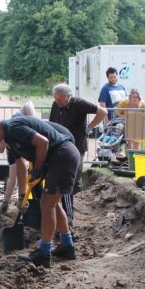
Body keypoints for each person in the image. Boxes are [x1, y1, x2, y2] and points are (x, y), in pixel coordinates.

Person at [0, 113, 79, 268]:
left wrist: (38, 169)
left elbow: (43, 142)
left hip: (62, 156)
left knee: (46, 205)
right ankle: (67, 245)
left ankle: (44, 252)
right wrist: (23, 194)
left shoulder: (13, 127)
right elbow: (21, 167)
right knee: (53, 204)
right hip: (56, 159)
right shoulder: (10, 140)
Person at [49, 83, 107, 227]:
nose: (58, 103)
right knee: (62, 179)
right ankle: (65, 207)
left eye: (60, 100)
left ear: (69, 97)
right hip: (60, 146)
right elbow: (51, 123)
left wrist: (90, 126)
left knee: (74, 180)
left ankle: (73, 209)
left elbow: (102, 112)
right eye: (56, 100)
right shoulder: (55, 105)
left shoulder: (79, 103)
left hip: (77, 146)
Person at [0, 101, 36, 213]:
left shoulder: (15, 127)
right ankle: (25, 201)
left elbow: (28, 104)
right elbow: (12, 178)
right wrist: (5, 202)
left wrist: (31, 121)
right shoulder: (10, 150)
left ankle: (28, 200)